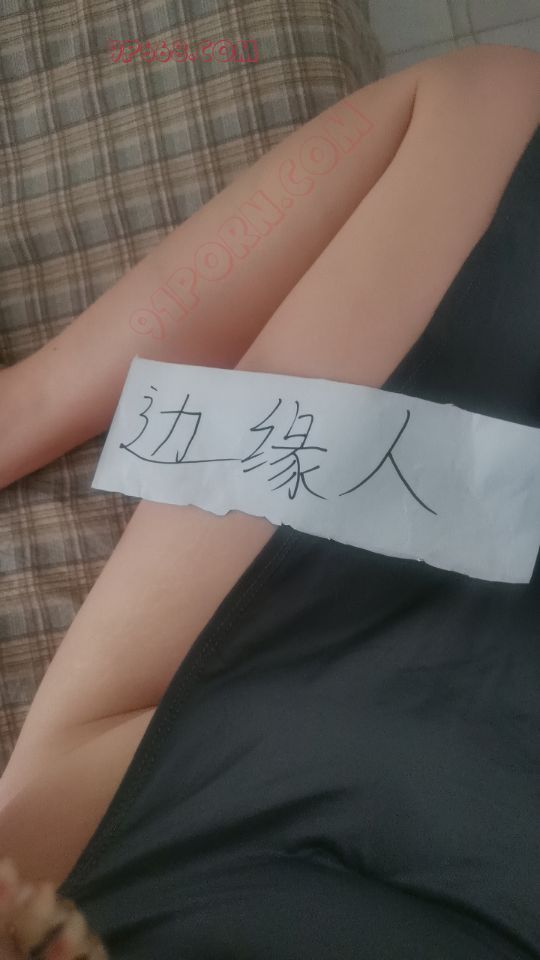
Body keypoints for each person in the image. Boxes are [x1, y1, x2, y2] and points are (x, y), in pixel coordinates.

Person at [0, 43, 539, 960]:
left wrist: (37, 401)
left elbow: (478, 105)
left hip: (192, 805)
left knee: (492, 104)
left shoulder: (81, 831)